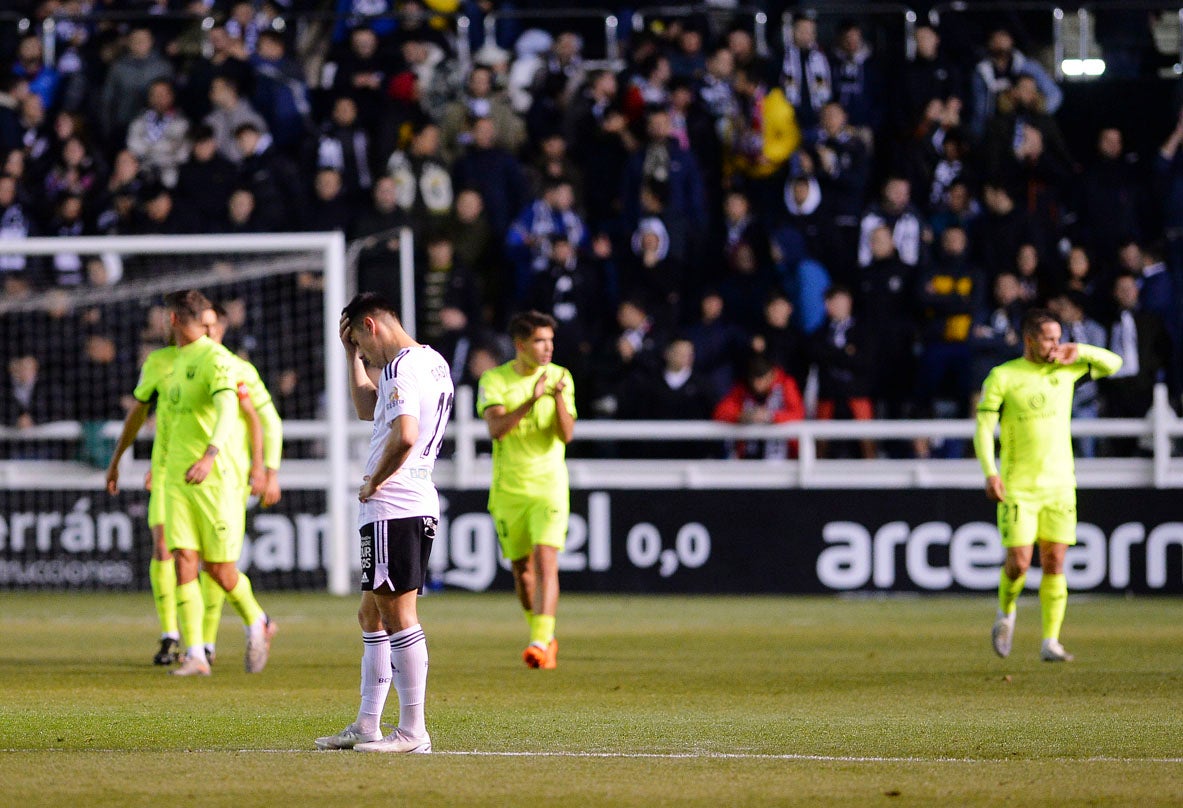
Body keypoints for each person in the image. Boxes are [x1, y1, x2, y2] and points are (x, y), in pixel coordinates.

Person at [316, 292, 453, 753]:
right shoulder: (432, 362)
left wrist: (374, 480)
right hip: (418, 498)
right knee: (371, 612)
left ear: (371, 325)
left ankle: (413, 731)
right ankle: (367, 723)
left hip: (394, 502)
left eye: (360, 342)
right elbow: (367, 408)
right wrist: (350, 357)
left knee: (398, 615)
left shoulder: (398, 367)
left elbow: (406, 433)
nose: (365, 355)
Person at [973, 309, 1122, 663]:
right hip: (1018, 486)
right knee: (1020, 563)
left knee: (1054, 561)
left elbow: (1115, 363)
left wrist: (1079, 350)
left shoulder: (1066, 371)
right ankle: (1006, 611)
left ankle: (1050, 641)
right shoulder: (1004, 376)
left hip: (1060, 485)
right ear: (1029, 340)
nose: (1056, 345)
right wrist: (989, 472)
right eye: (1049, 338)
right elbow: (982, 428)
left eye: (1059, 337)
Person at [156, 290, 276, 677]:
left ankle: (253, 623)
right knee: (186, 559)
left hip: (225, 480)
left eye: (213, 324)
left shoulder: (236, 369)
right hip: (184, 477)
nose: (207, 330)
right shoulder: (176, 364)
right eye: (203, 323)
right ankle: (198, 650)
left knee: (219, 569)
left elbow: (263, 421)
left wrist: (265, 469)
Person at [477, 311, 576, 669]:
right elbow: (497, 428)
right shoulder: (494, 379)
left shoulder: (561, 376)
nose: (548, 347)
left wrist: (559, 400)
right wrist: (533, 401)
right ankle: (542, 633)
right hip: (509, 491)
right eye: (540, 341)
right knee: (522, 571)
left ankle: (540, 640)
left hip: (549, 485)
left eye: (550, 340)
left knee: (547, 559)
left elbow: (567, 434)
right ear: (521, 345)